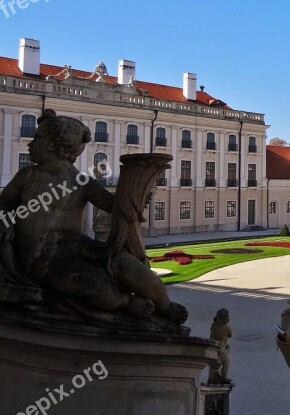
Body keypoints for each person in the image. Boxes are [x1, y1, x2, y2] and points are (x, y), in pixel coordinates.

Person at [0, 110, 186, 324]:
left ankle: (165, 305)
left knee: (129, 266)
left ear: (55, 144)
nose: (30, 144)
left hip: (78, 248)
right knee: (90, 282)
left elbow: (114, 206)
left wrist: (137, 194)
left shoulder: (82, 182)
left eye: (38, 138)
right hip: (42, 261)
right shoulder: (27, 176)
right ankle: (127, 303)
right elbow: (4, 204)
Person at [209, 308, 233, 384]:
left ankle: (212, 377)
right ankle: (224, 377)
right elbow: (230, 335)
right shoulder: (226, 327)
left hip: (213, 347)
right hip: (221, 347)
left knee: (214, 364)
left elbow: (212, 337)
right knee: (226, 362)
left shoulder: (213, 325)